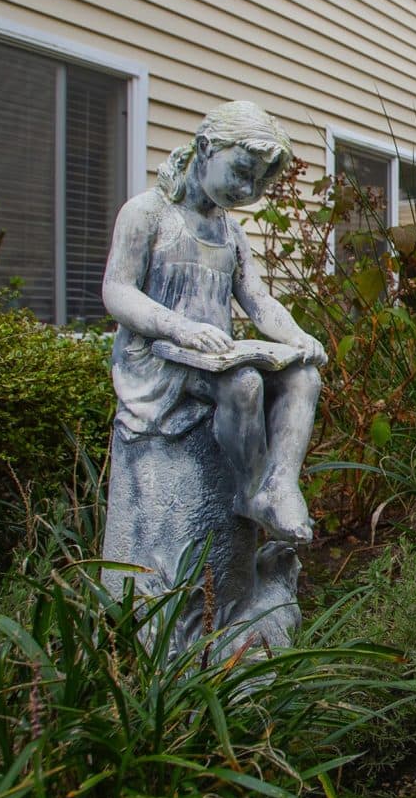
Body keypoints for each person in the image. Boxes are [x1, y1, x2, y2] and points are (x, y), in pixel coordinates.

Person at [101, 100, 325, 544]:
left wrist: (297, 337)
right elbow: (117, 291)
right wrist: (179, 328)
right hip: (160, 359)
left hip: (210, 356)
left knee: (305, 377)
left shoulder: (231, 233)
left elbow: (258, 302)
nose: (249, 189)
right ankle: (250, 488)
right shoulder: (147, 213)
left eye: (261, 183)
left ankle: (276, 488)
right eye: (243, 172)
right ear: (205, 148)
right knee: (244, 385)